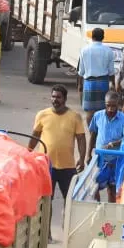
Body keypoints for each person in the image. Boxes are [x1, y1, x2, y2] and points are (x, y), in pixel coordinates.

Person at [30, 86, 86, 219]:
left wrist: (82, 158)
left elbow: (81, 139)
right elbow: (35, 136)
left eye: (58, 97)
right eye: (53, 97)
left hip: (67, 167)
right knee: (45, 201)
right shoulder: (42, 115)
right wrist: (28, 153)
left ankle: (66, 226)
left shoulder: (75, 117)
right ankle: (46, 232)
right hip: (46, 166)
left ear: (65, 99)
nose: (55, 100)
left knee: (70, 200)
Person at [87, 90, 124, 202]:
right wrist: (88, 154)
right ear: (105, 104)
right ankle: (98, 208)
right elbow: (93, 134)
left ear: (118, 105)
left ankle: (110, 215)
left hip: (115, 160)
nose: (110, 109)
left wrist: (113, 144)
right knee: (94, 188)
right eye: (108, 106)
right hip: (100, 159)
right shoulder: (98, 116)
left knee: (113, 189)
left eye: (113, 106)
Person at [77, 27, 115, 124]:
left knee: (90, 111)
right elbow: (111, 71)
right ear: (103, 37)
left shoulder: (84, 50)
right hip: (103, 83)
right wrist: (113, 84)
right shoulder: (108, 51)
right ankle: (100, 132)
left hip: (89, 83)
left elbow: (81, 71)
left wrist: (80, 84)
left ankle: (91, 133)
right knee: (103, 111)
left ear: (92, 37)